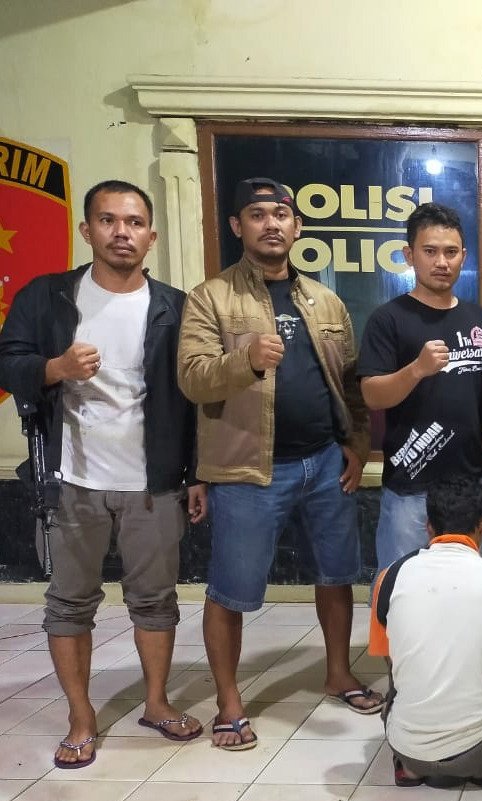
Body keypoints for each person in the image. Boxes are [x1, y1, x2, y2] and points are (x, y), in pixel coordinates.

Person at [0, 180, 205, 769]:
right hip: (70, 479)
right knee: (69, 603)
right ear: (86, 230)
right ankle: (80, 718)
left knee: (156, 600)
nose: (122, 232)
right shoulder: (48, 297)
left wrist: (196, 473)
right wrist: (54, 367)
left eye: (135, 222)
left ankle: (157, 703)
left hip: (154, 481)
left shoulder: (174, 306)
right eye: (109, 220)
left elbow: (193, 397)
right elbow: (7, 362)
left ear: (151, 237)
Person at [177, 177, 378, 750]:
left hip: (325, 463)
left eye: (281, 215)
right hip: (247, 472)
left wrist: (356, 443)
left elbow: (351, 383)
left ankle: (337, 674)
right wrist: (244, 359)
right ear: (237, 225)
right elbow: (191, 378)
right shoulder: (210, 297)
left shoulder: (324, 299)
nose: (272, 224)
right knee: (232, 590)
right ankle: (229, 703)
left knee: (336, 575)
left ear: (297, 226)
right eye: (258, 214)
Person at [358, 202, 482, 567]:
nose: (442, 262)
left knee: (472, 586)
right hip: (411, 483)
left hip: (471, 481)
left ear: (463, 257)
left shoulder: (478, 318)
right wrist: (416, 370)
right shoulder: (388, 319)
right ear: (410, 255)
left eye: (451, 252)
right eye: (430, 251)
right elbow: (372, 395)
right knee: (402, 585)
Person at [367, 478, 482, 787]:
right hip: (477, 751)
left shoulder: (390, 577)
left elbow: (389, 657)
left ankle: (411, 769)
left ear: (428, 526)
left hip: (406, 747)